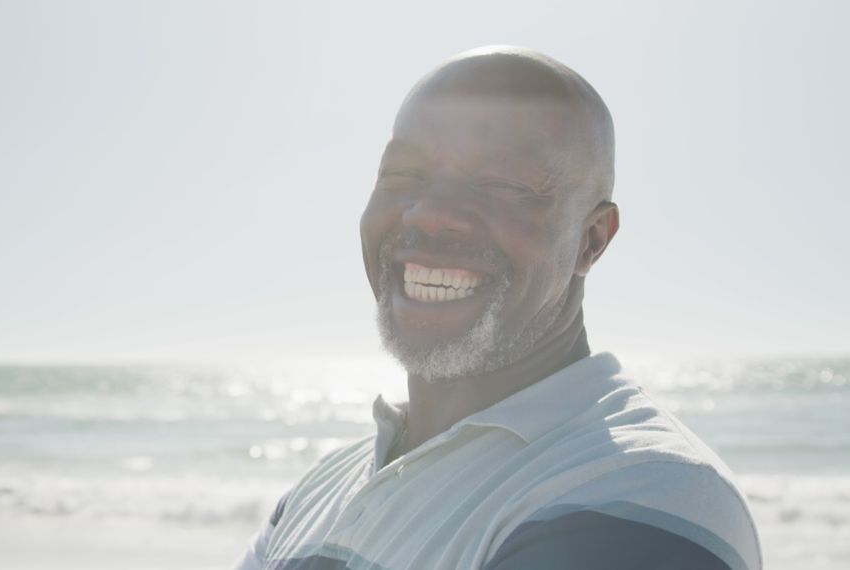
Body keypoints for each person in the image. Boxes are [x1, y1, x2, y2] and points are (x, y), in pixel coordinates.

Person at [234, 46, 761, 570]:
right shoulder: (317, 491)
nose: (434, 213)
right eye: (402, 176)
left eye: (503, 184)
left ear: (592, 240)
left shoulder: (639, 493)